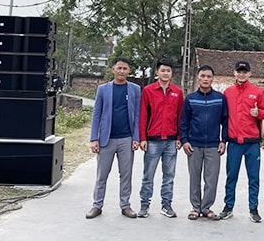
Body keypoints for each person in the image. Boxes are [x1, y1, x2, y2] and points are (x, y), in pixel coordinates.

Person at [86, 57, 141, 219]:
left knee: (126, 174)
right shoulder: (103, 89)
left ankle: (125, 205)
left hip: (126, 138)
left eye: (125, 68)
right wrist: (93, 138)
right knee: (102, 174)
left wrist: (136, 137)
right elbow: (96, 114)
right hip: (106, 139)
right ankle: (97, 205)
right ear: (113, 70)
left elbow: (137, 115)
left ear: (129, 71)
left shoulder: (135, 89)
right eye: (119, 68)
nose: (122, 71)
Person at [220, 60, 264, 223]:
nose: (242, 74)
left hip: (252, 142)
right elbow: (223, 117)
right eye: (239, 71)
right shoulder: (228, 93)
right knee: (231, 176)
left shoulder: (257, 92)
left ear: (249, 74)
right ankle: (228, 207)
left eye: (245, 72)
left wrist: (258, 113)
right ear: (234, 73)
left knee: (253, 177)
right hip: (234, 142)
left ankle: (253, 208)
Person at [179, 65, 228, 221]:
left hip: (213, 145)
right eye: (203, 76)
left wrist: (223, 140)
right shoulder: (191, 98)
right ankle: (195, 207)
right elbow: (184, 122)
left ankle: (206, 208)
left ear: (213, 79)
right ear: (198, 78)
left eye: (209, 76)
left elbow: (226, 121)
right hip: (194, 145)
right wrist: (185, 141)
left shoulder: (220, 98)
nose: (206, 79)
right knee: (194, 177)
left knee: (211, 178)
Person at [137, 59, 184, 218]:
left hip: (171, 141)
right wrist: (143, 138)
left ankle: (166, 204)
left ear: (171, 73)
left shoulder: (177, 92)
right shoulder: (148, 91)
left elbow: (180, 117)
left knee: (169, 175)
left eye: (168, 71)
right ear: (157, 72)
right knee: (148, 174)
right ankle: (144, 204)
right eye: (162, 70)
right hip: (153, 140)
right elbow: (143, 115)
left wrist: (179, 137)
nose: (165, 73)